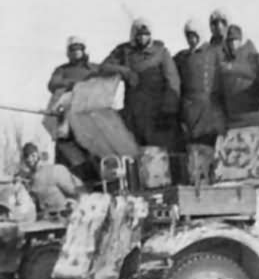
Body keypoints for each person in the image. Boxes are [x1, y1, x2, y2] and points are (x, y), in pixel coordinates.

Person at [100, 18, 181, 147]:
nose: (143, 38)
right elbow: (104, 67)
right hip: (133, 111)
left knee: (156, 150)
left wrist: (169, 108)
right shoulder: (125, 51)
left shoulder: (161, 52)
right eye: (139, 35)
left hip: (156, 111)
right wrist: (125, 72)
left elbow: (173, 81)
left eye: (146, 34)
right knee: (134, 148)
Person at [45, 36, 98, 181]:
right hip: (68, 120)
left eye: (79, 49)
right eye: (73, 49)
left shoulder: (94, 68)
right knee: (67, 155)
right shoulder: (62, 70)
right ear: (68, 52)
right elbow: (53, 84)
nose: (76, 52)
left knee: (94, 155)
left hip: (91, 118)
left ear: (84, 50)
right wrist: (73, 84)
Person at [174, 19, 226, 147]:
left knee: (213, 144)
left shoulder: (214, 52)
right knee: (194, 146)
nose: (191, 40)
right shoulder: (182, 57)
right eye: (189, 36)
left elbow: (225, 76)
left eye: (194, 36)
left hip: (211, 108)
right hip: (190, 110)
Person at [218, 23, 259, 121]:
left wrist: (258, 79)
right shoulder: (223, 63)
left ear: (241, 40)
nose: (232, 43)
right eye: (229, 40)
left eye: (235, 39)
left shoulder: (255, 58)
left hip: (253, 115)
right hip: (231, 118)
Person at [16, 142, 85, 217]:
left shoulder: (55, 170)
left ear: (36, 155)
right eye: (26, 157)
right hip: (45, 218)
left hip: (66, 216)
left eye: (31, 156)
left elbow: (78, 192)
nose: (29, 159)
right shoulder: (28, 181)